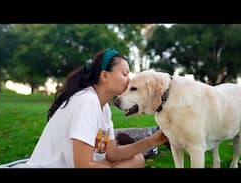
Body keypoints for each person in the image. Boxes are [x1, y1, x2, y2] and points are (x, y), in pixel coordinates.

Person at [19, 48, 168, 168]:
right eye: (124, 74)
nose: (129, 80)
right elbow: (82, 165)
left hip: (82, 164)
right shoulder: (86, 101)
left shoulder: (104, 109)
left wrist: (152, 141)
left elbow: (113, 153)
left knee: (137, 159)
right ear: (104, 76)